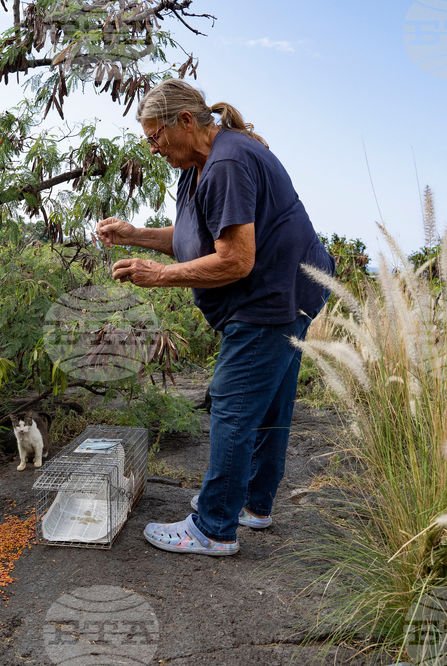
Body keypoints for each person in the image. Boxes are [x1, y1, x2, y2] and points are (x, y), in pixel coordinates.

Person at [96, 79, 334, 556]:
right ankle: (251, 504)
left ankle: (213, 527)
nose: (154, 148)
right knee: (269, 405)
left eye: (156, 137)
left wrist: (159, 276)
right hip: (292, 290)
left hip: (270, 298)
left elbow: (236, 260)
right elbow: (193, 236)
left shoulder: (226, 162)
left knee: (233, 401)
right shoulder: (200, 163)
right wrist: (135, 235)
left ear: (185, 121)